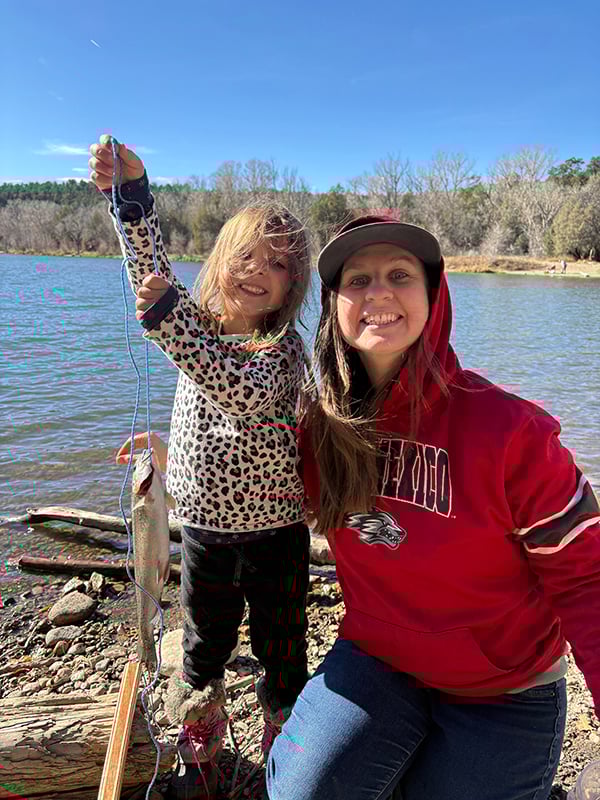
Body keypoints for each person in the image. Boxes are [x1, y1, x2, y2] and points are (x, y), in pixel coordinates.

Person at [266, 215, 600, 800]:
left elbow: (587, 578)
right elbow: (257, 492)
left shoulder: (510, 431)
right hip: (378, 660)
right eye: (357, 279)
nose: (379, 293)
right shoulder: (319, 429)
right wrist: (184, 461)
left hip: (503, 687)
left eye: (400, 274)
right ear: (334, 304)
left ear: (434, 294)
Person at [89, 135, 313, 799]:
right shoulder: (202, 326)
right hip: (207, 538)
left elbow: (231, 386)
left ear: (292, 286)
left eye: (276, 264)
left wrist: (168, 323)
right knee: (201, 653)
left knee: (284, 653)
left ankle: (287, 753)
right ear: (221, 260)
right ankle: (201, 755)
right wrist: (132, 196)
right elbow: (150, 277)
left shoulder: (281, 354)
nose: (255, 269)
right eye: (245, 254)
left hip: (276, 538)